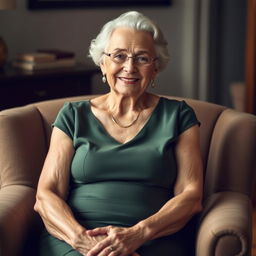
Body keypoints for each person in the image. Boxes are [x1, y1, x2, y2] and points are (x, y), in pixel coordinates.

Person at [34, 11, 203, 256]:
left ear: (155, 68)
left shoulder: (178, 116)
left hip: (151, 240)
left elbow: (191, 195)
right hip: (76, 240)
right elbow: (46, 194)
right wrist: (84, 242)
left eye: (142, 58)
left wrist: (138, 233)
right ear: (103, 63)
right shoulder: (72, 116)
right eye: (119, 56)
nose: (129, 67)